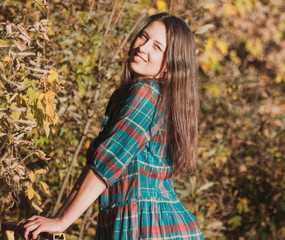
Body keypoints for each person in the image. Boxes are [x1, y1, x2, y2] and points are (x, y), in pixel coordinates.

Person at [17, 12, 203, 239]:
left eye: (157, 47)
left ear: (170, 64)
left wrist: (61, 221)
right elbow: (96, 165)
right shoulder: (137, 96)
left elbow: (108, 162)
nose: (142, 47)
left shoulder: (146, 93)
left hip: (147, 225)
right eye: (143, 37)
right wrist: (58, 217)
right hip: (147, 221)